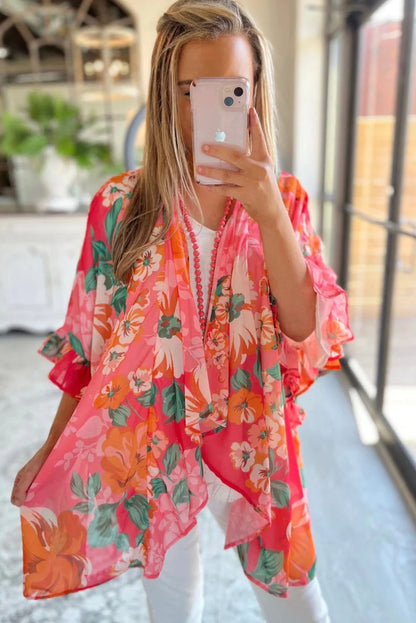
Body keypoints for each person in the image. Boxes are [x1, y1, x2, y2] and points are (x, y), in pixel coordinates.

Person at [11, 1, 353, 622]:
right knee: (173, 606)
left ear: (254, 91)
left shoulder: (285, 202)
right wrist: (50, 447)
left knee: (298, 600)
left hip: (256, 439)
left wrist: (270, 214)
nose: (210, 107)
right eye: (193, 90)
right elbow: (90, 349)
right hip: (153, 441)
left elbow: (306, 327)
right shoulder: (120, 206)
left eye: (231, 90)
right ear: (166, 94)